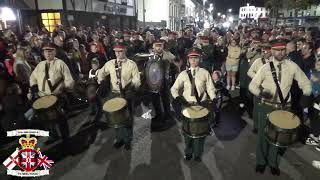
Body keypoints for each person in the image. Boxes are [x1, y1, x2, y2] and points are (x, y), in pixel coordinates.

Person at [249, 39, 312, 176]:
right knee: (262, 136)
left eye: (283, 49)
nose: (280, 52)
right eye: (277, 50)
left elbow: (306, 83)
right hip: (266, 106)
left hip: (283, 107)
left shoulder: (292, 66)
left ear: (286, 50)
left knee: (278, 138)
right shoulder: (264, 68)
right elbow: (252, 86)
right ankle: (261, 161)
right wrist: (261, 93)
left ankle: (273, 162)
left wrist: (306, 96)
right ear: (272, 51)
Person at [171, 47, 216, 162]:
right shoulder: (183, 74)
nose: (194, 60)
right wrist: (178, 99)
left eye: (196, 58)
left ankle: (197, 154)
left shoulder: (205, 73)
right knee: (187, 132)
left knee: (201, 133)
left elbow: (211, 88)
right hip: (187, 106)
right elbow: (174, 89)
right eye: (192, 58)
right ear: (188, 60)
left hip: (201, 105)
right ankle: (188, 152)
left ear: (199, 59)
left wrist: (213, 99)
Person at [97, 42, 141, 150]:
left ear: (125, 51)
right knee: (116, 119)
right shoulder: (110, 64)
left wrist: (133, 87)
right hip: (114, 93)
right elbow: (101, 73)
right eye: (116, 51)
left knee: (127, 119)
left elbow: (137, 79)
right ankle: (119, 139)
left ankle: (127, 140)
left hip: (127, 93)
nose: (117, 54)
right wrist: (101, 81)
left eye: (120, 51)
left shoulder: (131, 64)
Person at [29, 42, 75, 143]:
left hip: (57, 96)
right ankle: (53, 135)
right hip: (43, 96)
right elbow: (33, 78)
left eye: (50, 51)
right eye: (45, 51)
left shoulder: (60, 63)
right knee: (47, 119)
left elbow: (69, 79)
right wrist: (34, 87)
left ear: (55, 52)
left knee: (61, 118)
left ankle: (65, 137)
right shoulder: (40, 65)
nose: (48, 53)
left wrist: (64, 88)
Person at [247, 43, 272, 133]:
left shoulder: (274, 61)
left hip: (270, 89)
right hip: (259, 88)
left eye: (265, 51)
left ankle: (267, 126)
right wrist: (258, 78)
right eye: (262, 51)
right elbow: (249, 72)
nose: (263, 53)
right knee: (257, 108)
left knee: (269, 108)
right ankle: (256, 126)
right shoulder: (258, 61)